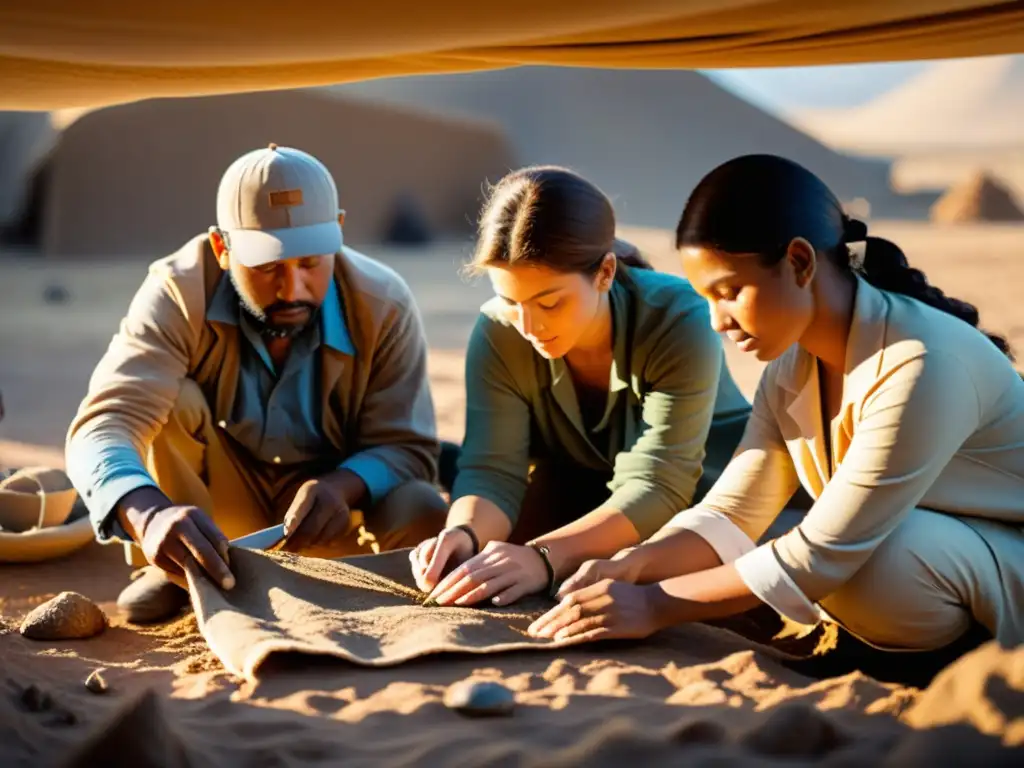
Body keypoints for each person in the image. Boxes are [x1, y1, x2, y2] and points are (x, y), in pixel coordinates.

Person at [528, 154, 1024, 653]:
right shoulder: (791, 369)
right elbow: (732, 512)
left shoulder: (918, 362)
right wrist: (631, 563)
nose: (718, 321)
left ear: (800, 263)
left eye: (730, 292)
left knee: (874, 564)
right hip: (944, 553)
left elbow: (824, 554)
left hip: (1005, 558)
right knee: (804, 544)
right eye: (706, 298)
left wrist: (654, 603)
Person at [66, 144, 448, 622]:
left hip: (333, 520)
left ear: (339, 233)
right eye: (267, 267)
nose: (292, 289)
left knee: (420, 506)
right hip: (211, 514)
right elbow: (104, 425)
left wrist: (344, 486)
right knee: (172, 404)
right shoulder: (178, 291)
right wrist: (150, 515)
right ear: (223, 249)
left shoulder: (383, 302)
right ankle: (183, 567)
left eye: (310, 263)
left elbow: (407, 446)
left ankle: (345, 579)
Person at [409, 165, 753, 607]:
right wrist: (465, 532)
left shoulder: (678, 317)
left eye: (549, 302)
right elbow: (493, 470)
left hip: (702, 515)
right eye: (511, 301)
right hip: (578, 501)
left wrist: (543, 557)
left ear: (605, 273)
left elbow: (660, 484)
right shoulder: (500, 330)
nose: (529, 326)